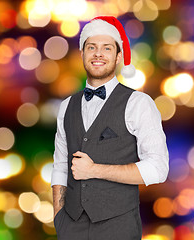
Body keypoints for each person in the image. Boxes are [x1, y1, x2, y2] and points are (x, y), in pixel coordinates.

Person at [51, 16, 169, 240]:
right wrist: (59, 219)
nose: (98, 54)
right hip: (71, 228)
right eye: (91, 47)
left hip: (118, 228)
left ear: (118, 56)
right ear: (83, 54)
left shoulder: (139, 103)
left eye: (107, 48)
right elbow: (60, 167)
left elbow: (158, 169)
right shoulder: (67, 106)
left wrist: (94, 170)